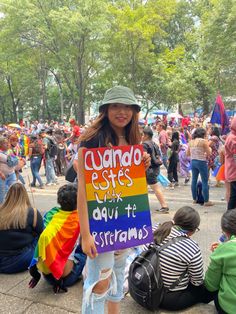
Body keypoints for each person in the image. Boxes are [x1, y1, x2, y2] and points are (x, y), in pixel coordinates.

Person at [77, 86, 150, 314]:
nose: (122, 111)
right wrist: (86, 234)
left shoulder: (133, 140)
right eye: (116, 106)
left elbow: (130, 187)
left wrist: (142, 166)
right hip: (100, 227)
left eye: (128, 107)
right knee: (99, 282)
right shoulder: (91, 141)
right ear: (106, 109)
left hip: (126, 224)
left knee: (119, 272)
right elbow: (83, 191)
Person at [153, 206, 214, 311]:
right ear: (193, 230)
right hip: (166, 299)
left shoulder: (155, 229)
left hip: (141, 286)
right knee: (208, 288)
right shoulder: (191, 247)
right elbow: (197, 282)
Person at [28, 184, 86, 293]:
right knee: (84, 253)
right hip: (65, 278)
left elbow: (41, 243)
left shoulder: (50, 214)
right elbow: (84, 245)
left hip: (48, 276)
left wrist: (35, 274)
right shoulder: (79, 219)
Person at [0, 183, 43, 273]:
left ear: (8, 195)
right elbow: (41, 233)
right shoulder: (32, 212)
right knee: (41, 235)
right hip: (21, 260)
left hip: (2, 259)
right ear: (25, 195)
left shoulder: (1, 210)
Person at [205, 209, 236, 314]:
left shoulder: (223, 250)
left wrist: (219, 254)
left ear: (226, 233)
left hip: (229, 307)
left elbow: (211, 284)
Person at [142, 126, 169, 213]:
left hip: (149, 170)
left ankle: (164, 206)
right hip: (155, 168)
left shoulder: (145, 145)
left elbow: (144, 156)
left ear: (145, 135)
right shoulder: (153, 143)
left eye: (141, 134)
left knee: (155, 187)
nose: (140, 136)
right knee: (143, 188)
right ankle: (141, 205)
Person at [187, 127, 213, 206]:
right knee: (204, 181)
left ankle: (194, 199)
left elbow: (187, 154)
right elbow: (209, 153)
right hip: (201, 162)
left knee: (194, 180)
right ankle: (206, 201)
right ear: (203, 134)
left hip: (193, 161)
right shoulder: (203, 141)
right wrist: (210, 149)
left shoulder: (191, 142)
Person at [0, 136, 18, 203]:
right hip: (2, 176)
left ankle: (11, 205)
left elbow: (14, 159)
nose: (7, 144)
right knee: (2, 192)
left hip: (12, 174)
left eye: (8, 143)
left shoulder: (10, 150)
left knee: (13, 190)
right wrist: (1, 173)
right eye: (5, 143)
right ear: (0, 144)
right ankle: (1, 207)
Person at [225, 116, 236, 210]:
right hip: (234, 172)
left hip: (232, 171)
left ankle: (229, 217)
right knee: (233, 196)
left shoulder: (232, 136)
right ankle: (230, 217)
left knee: (233, 195)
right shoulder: (233, 138)